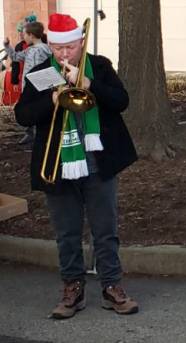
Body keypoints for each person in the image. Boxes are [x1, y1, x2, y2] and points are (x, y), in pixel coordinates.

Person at [14, 13, 139, 319]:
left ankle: (112, 287)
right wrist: (52, 100)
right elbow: (22, 115)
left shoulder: (100, 66)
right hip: (58, 164)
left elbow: (122, 101)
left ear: (81, 43)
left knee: (105, 230)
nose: (65, 55)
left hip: (99, 162)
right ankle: (73, 289)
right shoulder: (42, 72)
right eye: (59, 49)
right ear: (51, 47)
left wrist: (89, 84)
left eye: (70, 48)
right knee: (67, 233)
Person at [5, 16, 50, 144]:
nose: (22, 37)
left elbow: (44, 69)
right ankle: (31, 134)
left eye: (24, 34)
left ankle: (40, 138)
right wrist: (7, 46)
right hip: (29, 87)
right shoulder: (30, 50)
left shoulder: (44, 50)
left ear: (31, 35)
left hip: (40, 87)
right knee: (30, 109)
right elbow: (15, 57)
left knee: (39, 111)